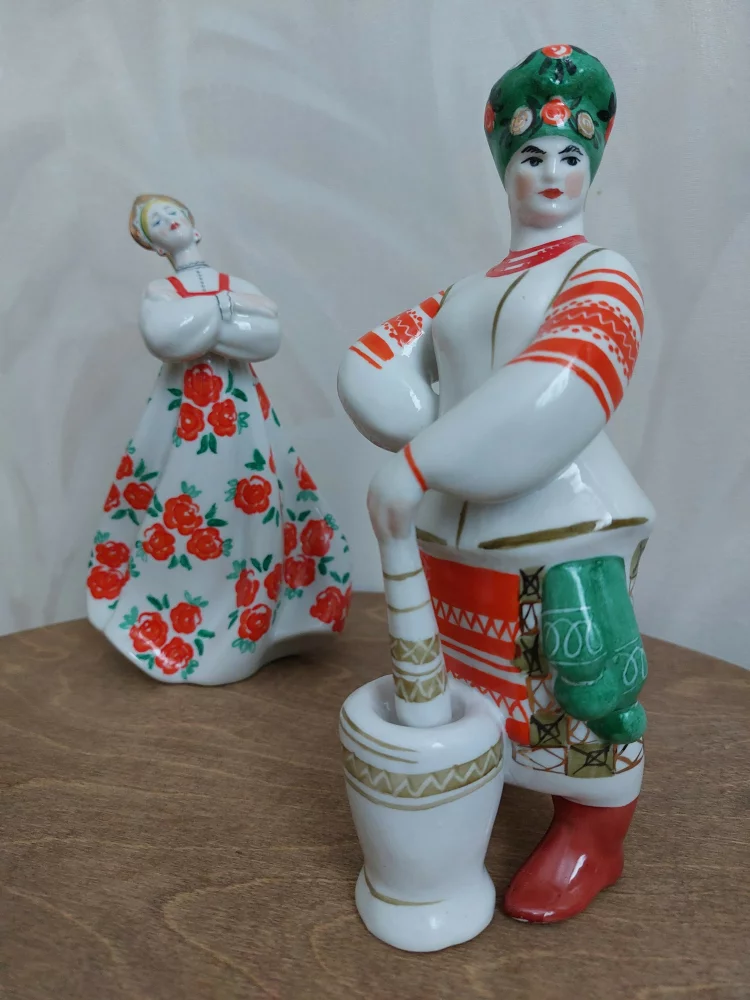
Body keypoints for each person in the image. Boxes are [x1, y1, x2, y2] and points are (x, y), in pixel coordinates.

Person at [338, 45, 652, 923]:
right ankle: (476, 798)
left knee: (579, 683)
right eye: (531, 154)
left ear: (591, 167)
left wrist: (424, 462)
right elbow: (377, 362)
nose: (551, 172)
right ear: (504, 167)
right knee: (472, 679)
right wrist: (425, 438)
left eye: (570, 155)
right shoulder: (468, 291)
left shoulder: (602, 274)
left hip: (560, 521)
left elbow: (563, 382)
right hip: (456, 525)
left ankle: (593, 831)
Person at [87, 195, 351, 684]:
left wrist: (202, 324)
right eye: (156, 222)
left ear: (194, 226)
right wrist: (225, 311)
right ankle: (179, 626)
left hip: (242, 413)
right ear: (153, 244)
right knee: (186, 504)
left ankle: (255, 624)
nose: (169, 222)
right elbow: (168, 340)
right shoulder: (161, 291)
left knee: (255, 503)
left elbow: (264, 339)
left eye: (174, 214)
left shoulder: (235, 284)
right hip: (183, 415)